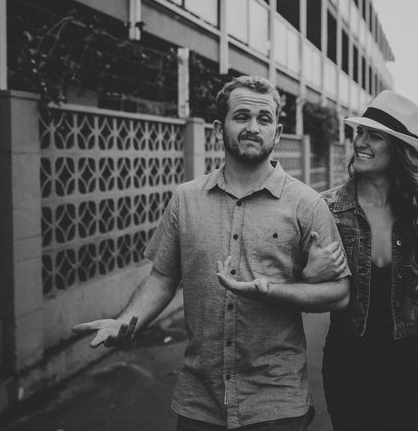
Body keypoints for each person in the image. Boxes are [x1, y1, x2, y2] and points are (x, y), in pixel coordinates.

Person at [80, 76, 350, 429]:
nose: (253, 127)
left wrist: (274, 291)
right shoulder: (186, 199)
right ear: (219, 129)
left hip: (276, 402)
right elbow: (163, 278)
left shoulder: (307, 204)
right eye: (241, 116)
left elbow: (339, 293)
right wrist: (125, 321)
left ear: (277, 132)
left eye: (264, 119)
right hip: (199, 400)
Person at [322, 91, 418, 431]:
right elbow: (300, 282)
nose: (360, 142)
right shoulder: (326, 211)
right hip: (348, 366)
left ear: (399, 149)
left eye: (374, 136)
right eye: (360, 132)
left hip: (413, 367)